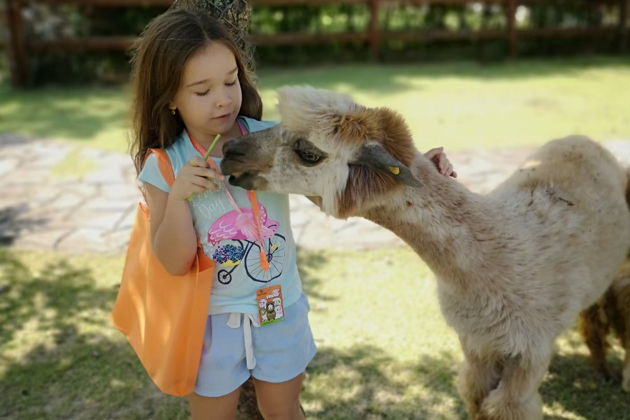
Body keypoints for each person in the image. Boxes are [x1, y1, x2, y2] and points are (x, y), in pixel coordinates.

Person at [128, 7, 455, 420]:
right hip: (209, 324)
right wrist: (178, 198)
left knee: (284, 413)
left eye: (230, 81)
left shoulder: (271, 141)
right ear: (170, 98)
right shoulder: (164, 166)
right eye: (202, 90)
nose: (224, 98)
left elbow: (339, 169)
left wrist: (416, 170)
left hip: (279, 310)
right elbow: (172, 262)